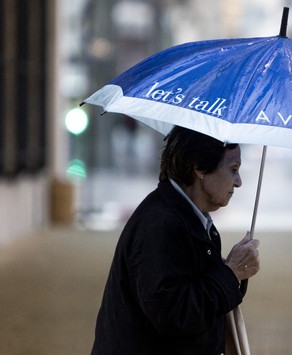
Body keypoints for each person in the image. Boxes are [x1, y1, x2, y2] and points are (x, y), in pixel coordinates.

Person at [92, 126, 261, 354]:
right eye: (233, 169)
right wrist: (230, 274)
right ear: (200, 167)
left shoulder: (187, 217)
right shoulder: (161, 224)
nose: (238, 181)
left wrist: (225, 270)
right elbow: (173, 314)